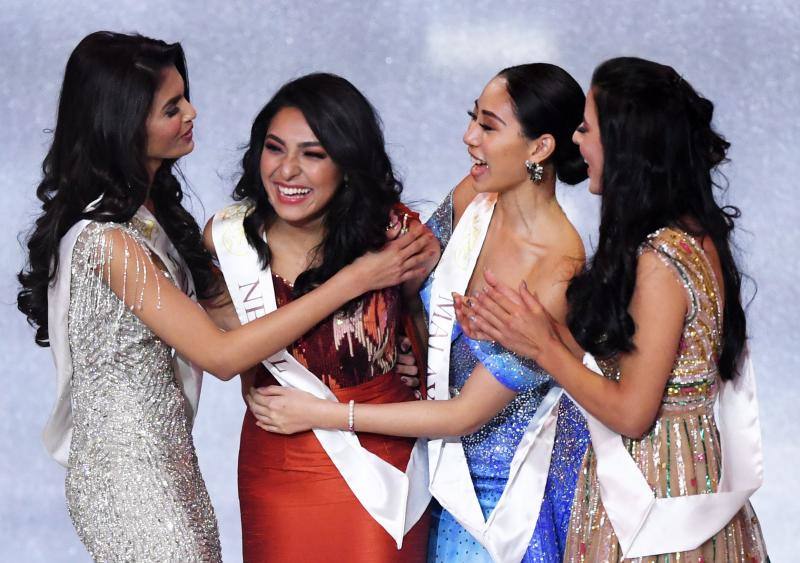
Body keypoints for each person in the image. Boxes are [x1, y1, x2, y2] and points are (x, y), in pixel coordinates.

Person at [15, 32, 431, 561]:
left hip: (170, 461)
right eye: (172, 107)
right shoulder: (109, 241)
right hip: (128, 477)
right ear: (126, 123)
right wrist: (356, 281)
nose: (192, 112)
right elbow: (223, 355)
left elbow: (238, 323)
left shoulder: (151, 218)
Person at [247, 64, 591, 562]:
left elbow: (463, 415)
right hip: (429, 476)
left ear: (539, 149)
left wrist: (320, 414)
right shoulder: (477, 196)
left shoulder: (557, 266)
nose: (468, 137)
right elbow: (408, 276)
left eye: (489, 127)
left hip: (499, 501)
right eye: (473, 118)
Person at [457, 57, 768, 561]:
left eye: (586, 128)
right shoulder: (689, 236)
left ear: (626, 146)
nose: (577, 142)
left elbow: (631, 412)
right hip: (686, 474)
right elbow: (624, 356)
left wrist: (544, 347)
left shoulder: (661, 261)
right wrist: (529, 333)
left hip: (654, 497)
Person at [209, 72, 440, 563]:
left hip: (380, 460)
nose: (287, 170)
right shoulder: (227, 240)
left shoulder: (396, 235)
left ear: (348, 165)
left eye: (312, 155)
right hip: (277, 464)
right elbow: (226, 347)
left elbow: (428, 334)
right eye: (275, 149)